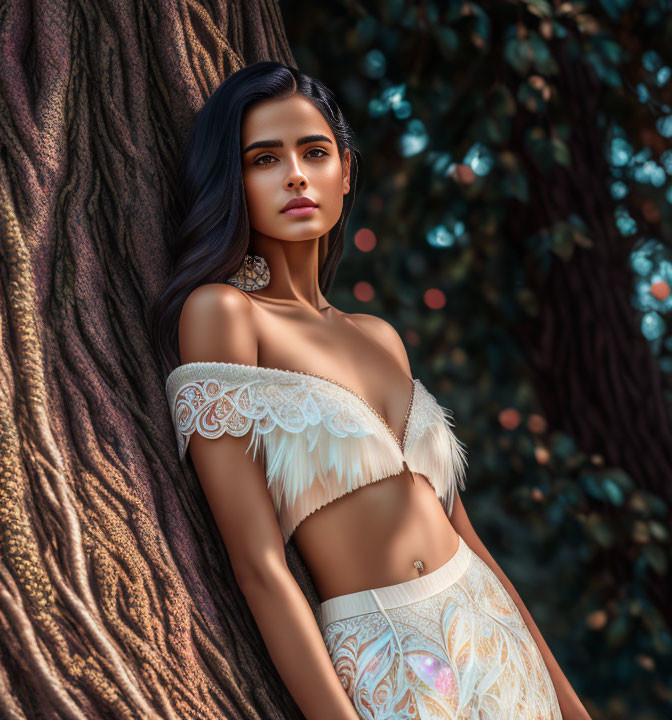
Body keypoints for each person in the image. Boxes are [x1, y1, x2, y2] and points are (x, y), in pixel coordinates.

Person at [153, 62, 589, 719]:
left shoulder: (379, 336)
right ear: (233, 180)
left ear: (345, 171)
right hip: (389, 660)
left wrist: (571, 703)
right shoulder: (223, 316)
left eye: (315, 152)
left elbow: (466, 536)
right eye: (264, 158)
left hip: (496, 640)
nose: (296, 174)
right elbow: (258, 567)